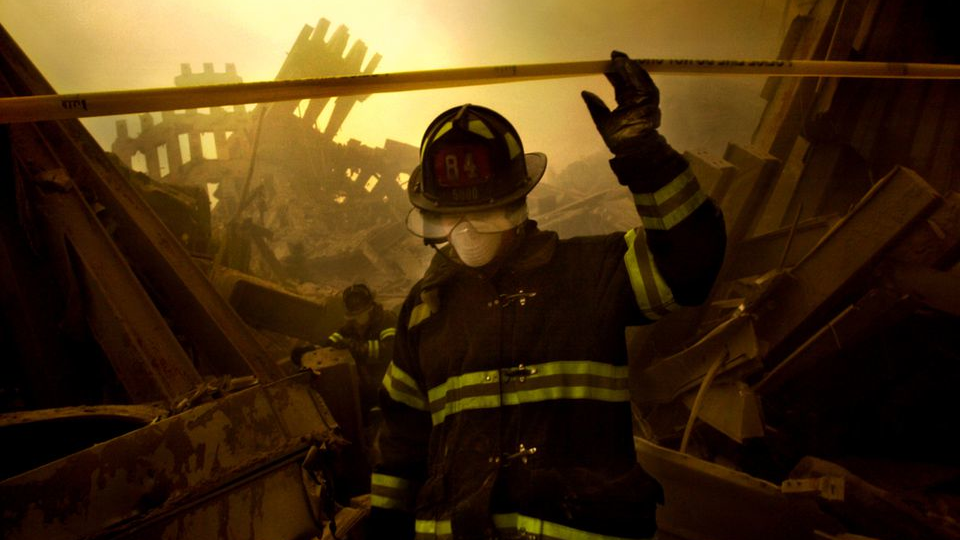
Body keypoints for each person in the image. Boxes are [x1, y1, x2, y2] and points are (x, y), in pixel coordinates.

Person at [368, 51, 727, 540]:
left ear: (518, 202)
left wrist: (643, 152)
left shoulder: (594, 273)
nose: (469, 232)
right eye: (453, 220)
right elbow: (401, 444)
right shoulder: (424, 309)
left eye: (487, 214)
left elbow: (692, 264)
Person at [293, 283, 397, 431]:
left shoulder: (386, 320)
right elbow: (333, 342)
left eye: (361, 314)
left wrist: (357, 348)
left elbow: (389, 350)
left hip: (388, 379)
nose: (357, 319)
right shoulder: (352, 325)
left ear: (371, 307)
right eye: (354, 316)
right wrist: (313, 350)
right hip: (366, 381)